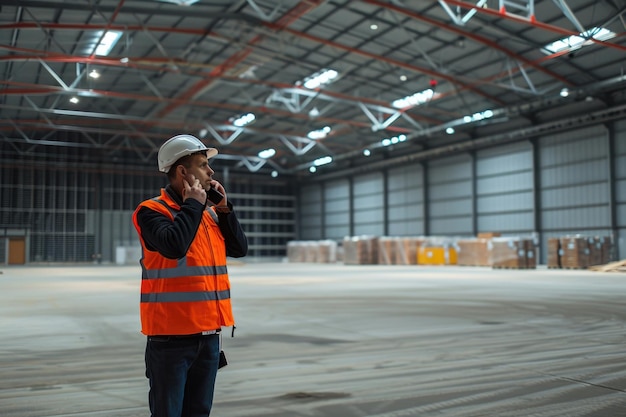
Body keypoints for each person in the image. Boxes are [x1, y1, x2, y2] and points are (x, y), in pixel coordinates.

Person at [132, 134, 248, 417]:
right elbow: (174, 246)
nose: (211, 172)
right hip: (170, 339)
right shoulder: (151, 211)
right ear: (183, 172)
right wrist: (194, 204)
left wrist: (223, 209)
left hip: (209, 336)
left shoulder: (208, 215)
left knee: (199, 412)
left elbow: (239, 248)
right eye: (203, 164)